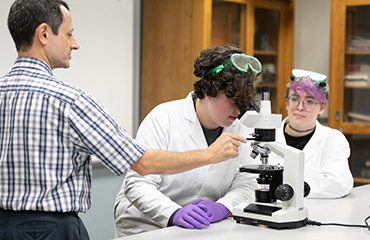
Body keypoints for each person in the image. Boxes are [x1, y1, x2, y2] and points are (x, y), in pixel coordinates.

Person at [0, 1, 247, 239]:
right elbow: (141, 163)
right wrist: (210, 155)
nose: (75, 44)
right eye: (69, 34)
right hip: (50, 230)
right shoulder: (70, 101)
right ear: (43, 34)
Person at [114, 45, 261, 237]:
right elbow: (137, 183)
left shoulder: (240, 124)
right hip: (146, 226)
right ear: (209, 90)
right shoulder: (163, 117)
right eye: (233, 100)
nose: (239, 110)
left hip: (202, 228)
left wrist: (223, 207)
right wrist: (173, 212)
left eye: (244, 101)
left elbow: (247, 181)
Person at [267, 69, 353, 198]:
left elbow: (339, 183)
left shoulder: (333, 139)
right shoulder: (266, 136)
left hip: (316, 212)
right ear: (287, 103)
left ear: (322, 108)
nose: (300, 107)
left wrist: (292, 189)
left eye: (309, 101)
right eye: (295, 99)